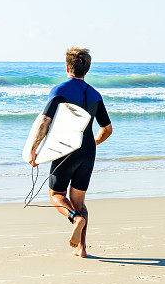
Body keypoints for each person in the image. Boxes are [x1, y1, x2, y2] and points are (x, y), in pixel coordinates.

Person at [27, 47, 113, 257]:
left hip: (65, 149)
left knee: (56, 194)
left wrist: (34, 149)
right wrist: (90, 145)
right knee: (79, 201)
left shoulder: (60, 90)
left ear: (67, 67)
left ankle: (75, 219)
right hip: (87, 151)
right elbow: (107, 130)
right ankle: (82, 248)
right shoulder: (95, 94)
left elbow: (45, 122)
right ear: (87, 69)